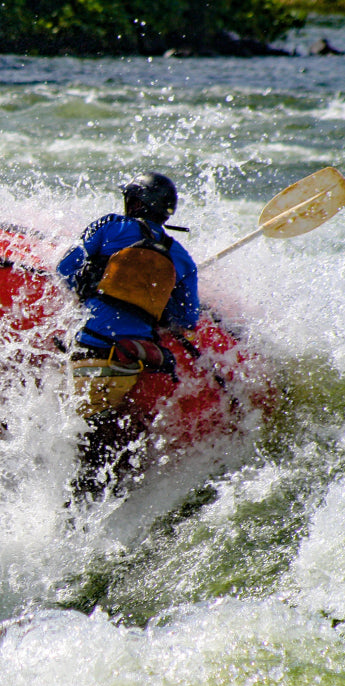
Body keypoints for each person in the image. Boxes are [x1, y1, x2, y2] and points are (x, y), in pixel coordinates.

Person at [56, 172, 200, 499]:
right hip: (131, 362)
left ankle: (78, 511)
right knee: (106, 434)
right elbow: (187, 319)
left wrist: (85, 289)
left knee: (88, 439)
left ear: (133, 202)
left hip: (90, 349)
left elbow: (65, 268)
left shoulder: (110, 225)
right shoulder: (181, 257)